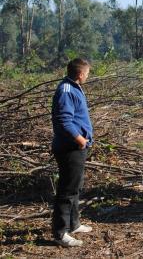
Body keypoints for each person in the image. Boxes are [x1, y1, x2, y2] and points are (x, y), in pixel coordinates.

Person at [51, 58, 94, 247]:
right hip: (70, 148)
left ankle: (73, 224)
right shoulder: (66, 91)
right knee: (67, 190)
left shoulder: (75, 87)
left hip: (77, 148)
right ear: (79, 74)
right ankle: (60, 233)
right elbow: (63, 121)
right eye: (87, 73)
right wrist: (80, 139)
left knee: (75, 187)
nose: (88, 76)